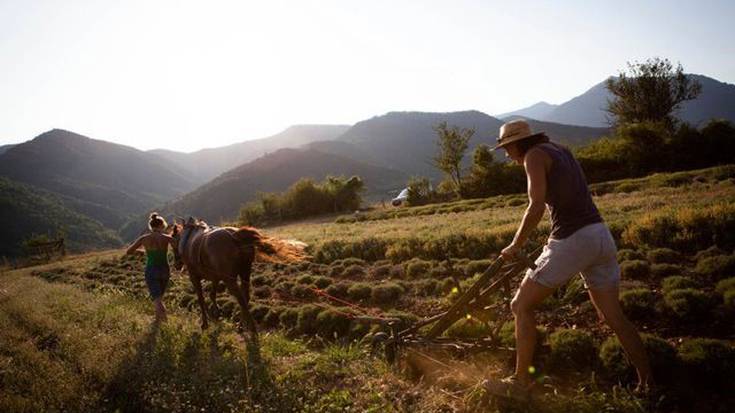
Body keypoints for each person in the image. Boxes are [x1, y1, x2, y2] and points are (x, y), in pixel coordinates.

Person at [488, 119, 651, 396]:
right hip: (600, 235)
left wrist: (516, 244)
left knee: (521, 305)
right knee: (614, 317)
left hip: (573, 239)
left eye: (507, 148)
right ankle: (648, 383)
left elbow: (536, 204)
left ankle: (518, 382)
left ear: (517, 143)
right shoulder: (560, 149)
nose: (507, 155)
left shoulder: (533, 156)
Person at [126, 213, 175, 321]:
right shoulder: (167, 238)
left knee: (157, 299)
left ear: (151, 226)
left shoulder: (144, 239)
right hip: (165, 269)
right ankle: (158, 320)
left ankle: (164, 320)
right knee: (160, 297)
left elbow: (129, 251)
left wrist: (141, 252)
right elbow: (179, 248)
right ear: (162, 225)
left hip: (151, 269)